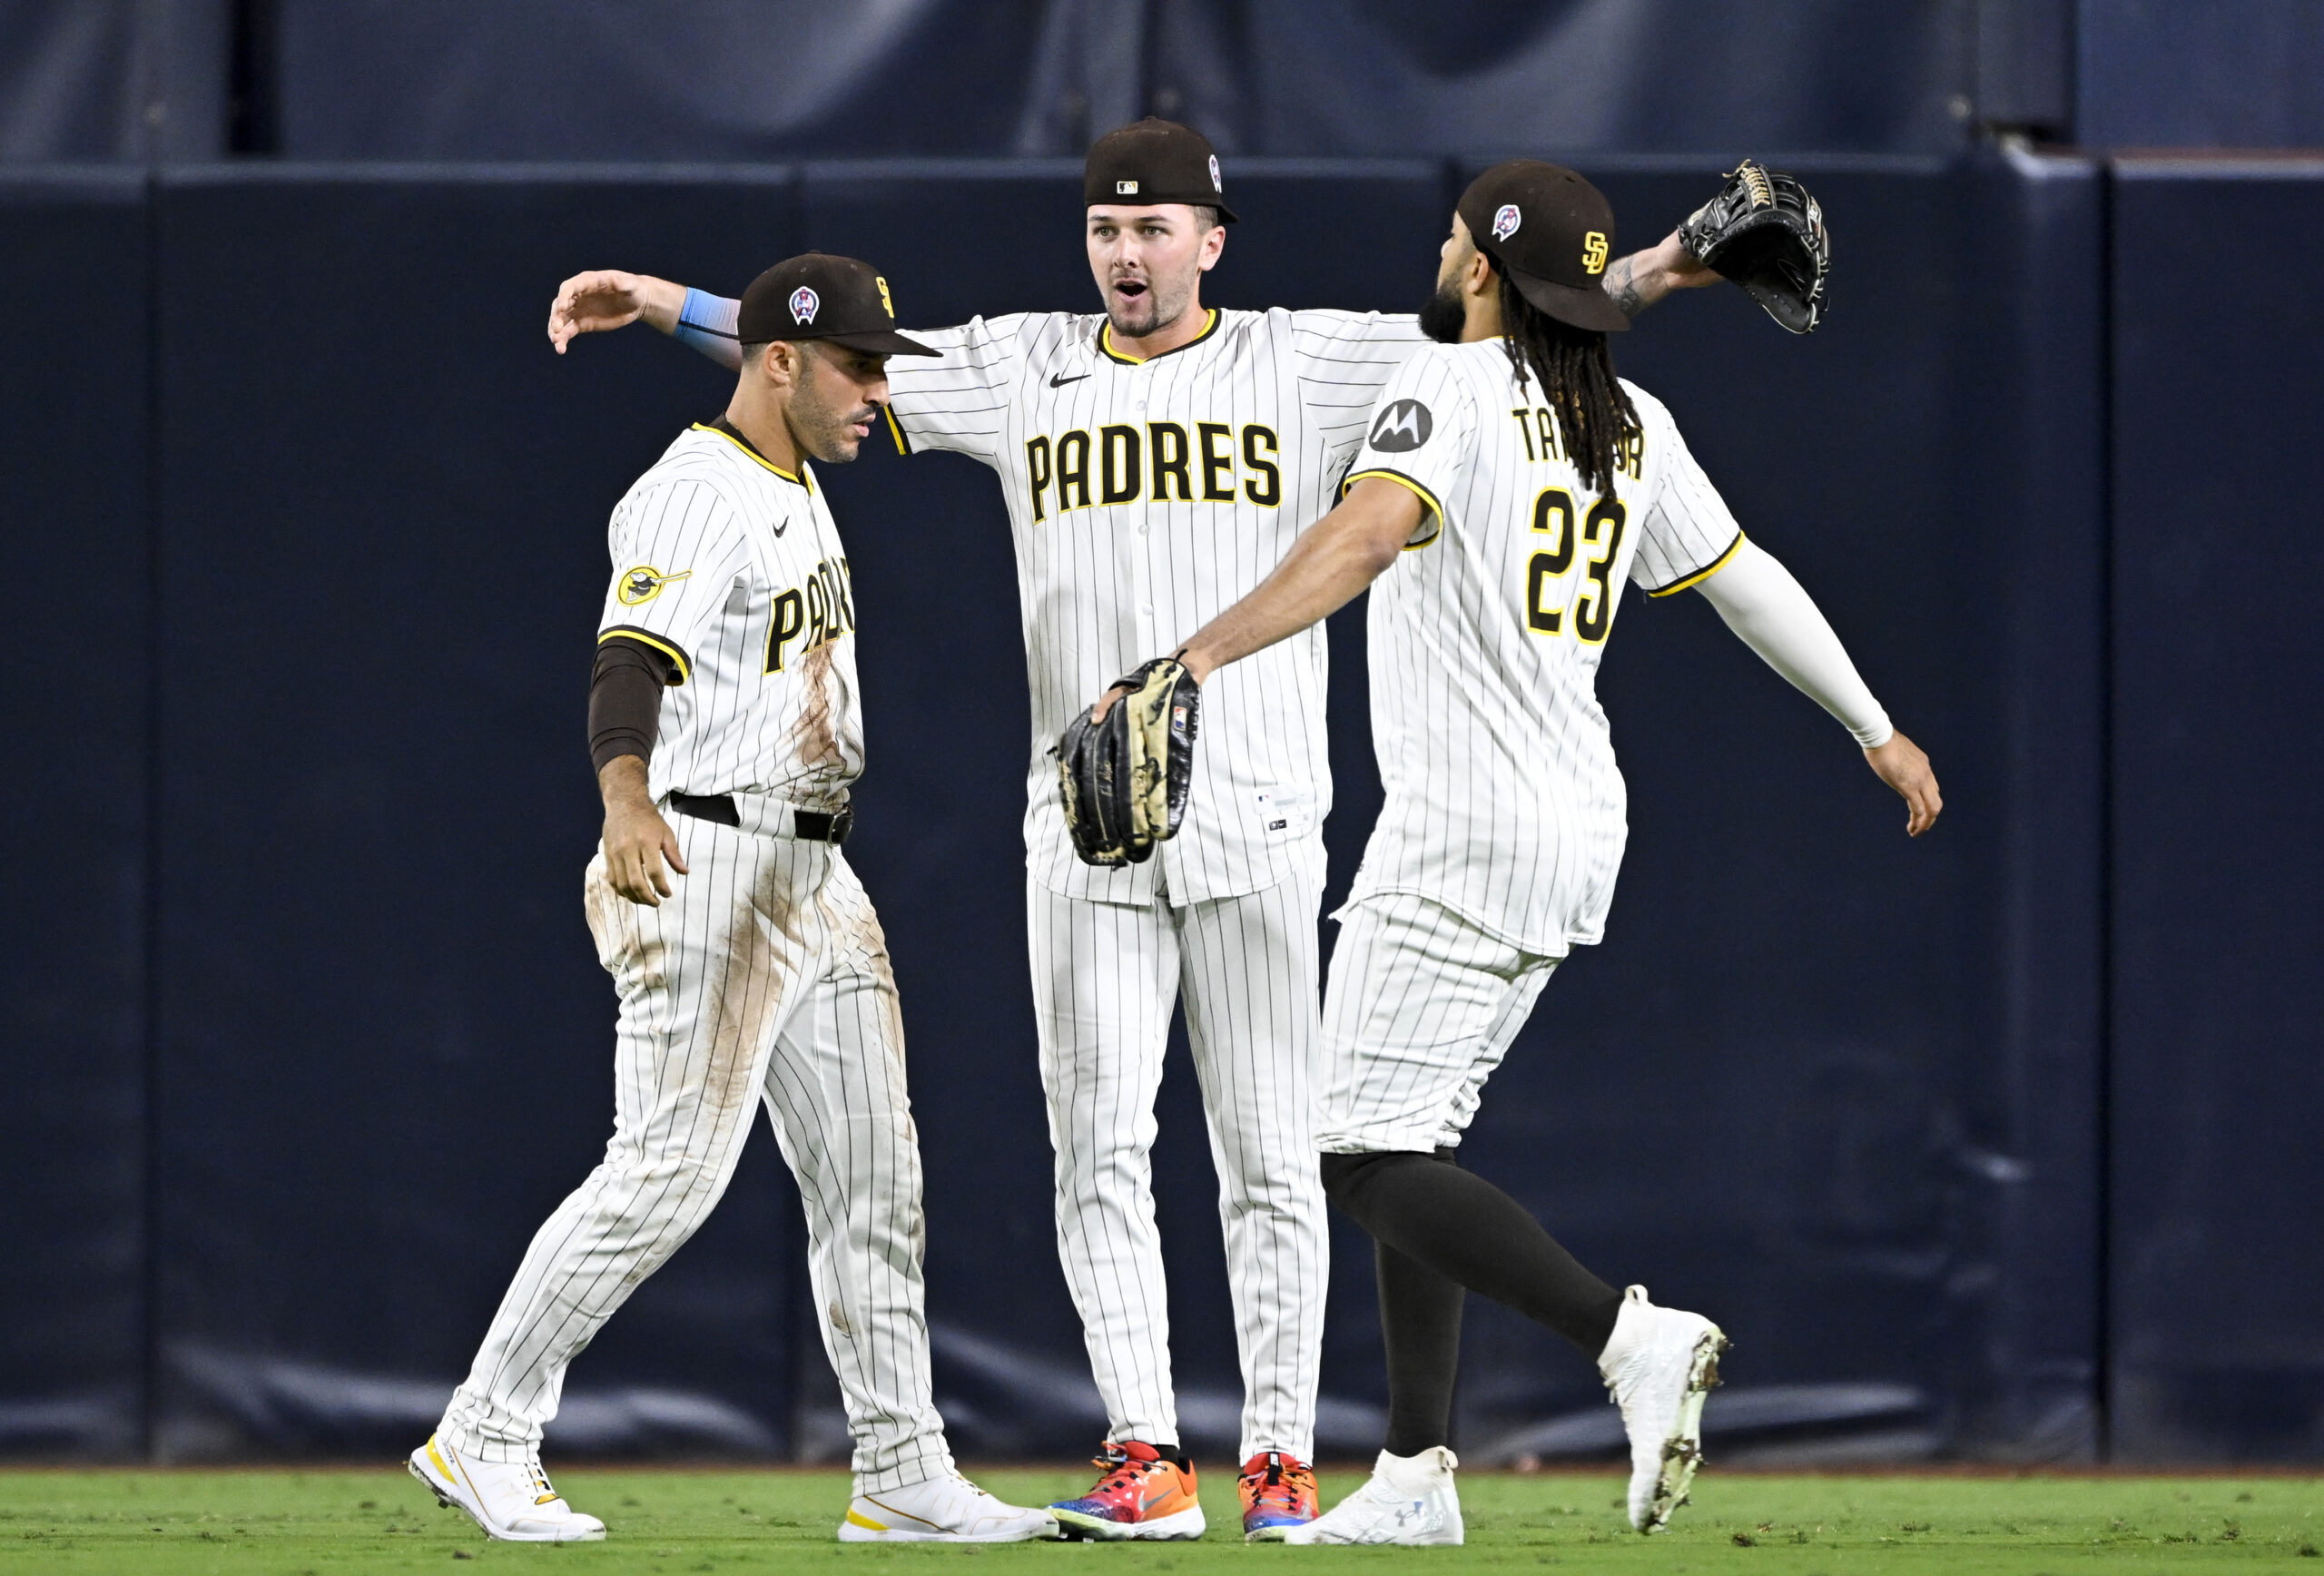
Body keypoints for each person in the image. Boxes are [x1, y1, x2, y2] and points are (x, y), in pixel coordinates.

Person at [543, 120, 1723, 1542]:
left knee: (1275, 1154)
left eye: (1157, 227)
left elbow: (1510, 335)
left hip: (1265, 813)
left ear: (1210, 243)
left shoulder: (1312, 358)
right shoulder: (1019, 363)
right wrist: (665, 302)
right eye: (1108, 228)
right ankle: (1148, 1455)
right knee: (1098, 1144)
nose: (1128, 251)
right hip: (1083, 825)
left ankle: (1280, 1461)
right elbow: (825, 349)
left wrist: (1653, 270)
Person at [1084, 161, 1942, 1544]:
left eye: (1451, 239)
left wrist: (1191, 657)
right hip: (1574, 819)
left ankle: (1625, 1337)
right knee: (1407, 1137)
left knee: (1354, 1157)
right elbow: (1746, 579)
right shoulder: (1628, 419)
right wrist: (1875, 726)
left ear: (1483, 267)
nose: (1438, 251)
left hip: (1464, 828)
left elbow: (1366, 536)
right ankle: (1417, 1476)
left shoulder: (1453, 394)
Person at [408, 254, 1056, 1547]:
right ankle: (484, 1429)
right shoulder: (694, 496)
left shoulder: (792, 467)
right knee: (666, 1175)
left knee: (878, 1179)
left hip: (814, 874)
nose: (879, 389)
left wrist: (658, 304)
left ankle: (900, 1469)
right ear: (781, 365)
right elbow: (627, 659)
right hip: (703, 858)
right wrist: (624, 797)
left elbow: (774, 362)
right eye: (859, 366)